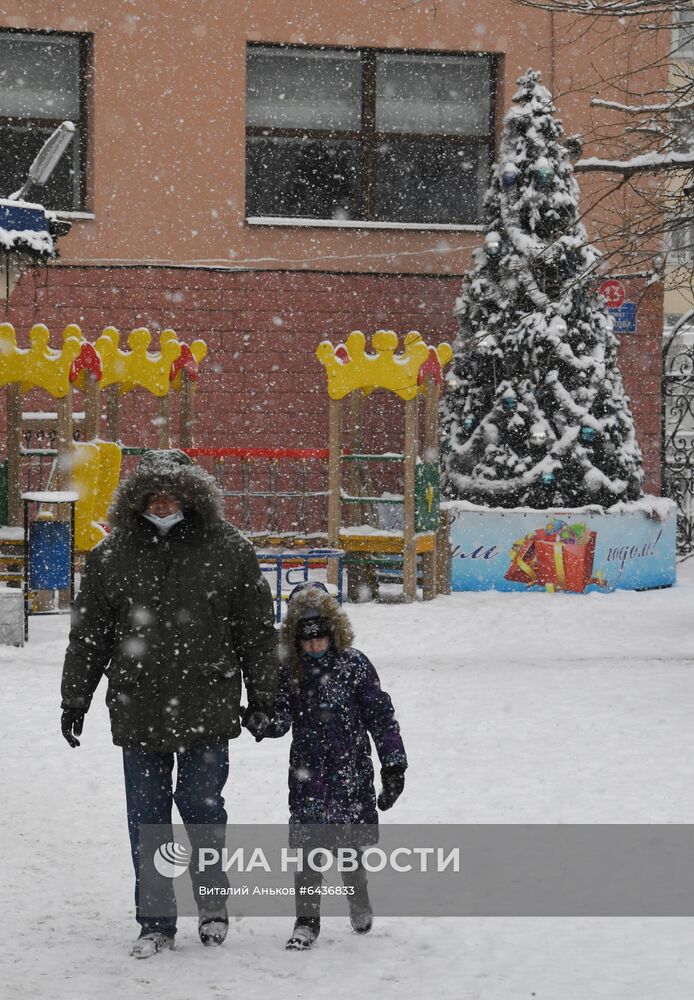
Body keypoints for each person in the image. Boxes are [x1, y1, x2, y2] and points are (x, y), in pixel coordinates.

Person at [60, 450, 278, 958]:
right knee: (148, 818)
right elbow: (89, 635)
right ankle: (156, 922)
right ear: (137, 498)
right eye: (153, 493)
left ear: (191, 494)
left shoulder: (229, 549)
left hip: (207, 702)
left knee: (203, 811)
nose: (162, 500)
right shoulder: (111, 555)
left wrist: (265, 695)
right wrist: (75, 698)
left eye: (172, 491)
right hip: (138, 705)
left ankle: (213, 906)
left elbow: (255, 630)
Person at [257, 581, 407, 950]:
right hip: (307, 774)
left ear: (334, 633)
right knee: (308, 849)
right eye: (306, 640)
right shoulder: (289, 671)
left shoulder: (354, 665)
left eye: (320, 638)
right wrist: (260, 721)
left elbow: (381, 717)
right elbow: (279, 719)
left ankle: (358, 897)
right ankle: (306, 920)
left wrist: (393, 765)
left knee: (349, 845)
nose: (313, 646)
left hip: (350, 772)